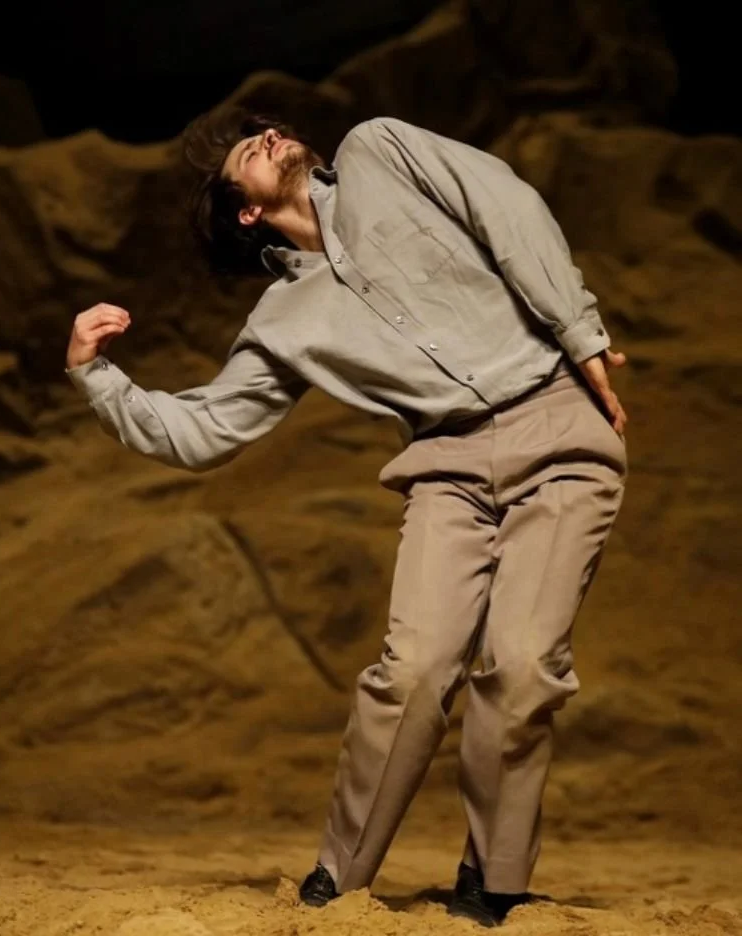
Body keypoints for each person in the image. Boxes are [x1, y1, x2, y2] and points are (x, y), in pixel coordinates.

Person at [65, 107, 629, 928]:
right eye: (240, 154)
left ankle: (494, 882)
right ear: (245, 213)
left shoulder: (381, 150)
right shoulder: (284, 321)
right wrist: (96, 375)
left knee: (520, 663)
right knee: (410, 671)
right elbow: (203, 431)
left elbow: (508, 211)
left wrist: (578, 329)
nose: (263, 136)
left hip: (558, 423)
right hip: (446, 467)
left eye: (261, 127)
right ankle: (340, 876)